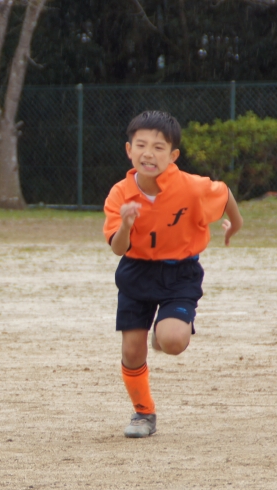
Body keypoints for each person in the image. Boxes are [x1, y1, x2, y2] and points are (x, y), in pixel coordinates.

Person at [103, 110, 243, 439]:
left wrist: (235, 225)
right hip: (137, 273)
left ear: (173, 155)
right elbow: (118, 249)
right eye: (141, 145)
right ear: (129, 150)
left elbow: (224, 194)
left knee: (173, 341)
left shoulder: (190, 188)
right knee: (132, 351)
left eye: (158, 147)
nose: (148, 154)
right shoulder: (120, 194)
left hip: (180, 272)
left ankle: (163, 329)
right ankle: (144, 413)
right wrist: (126, 224)